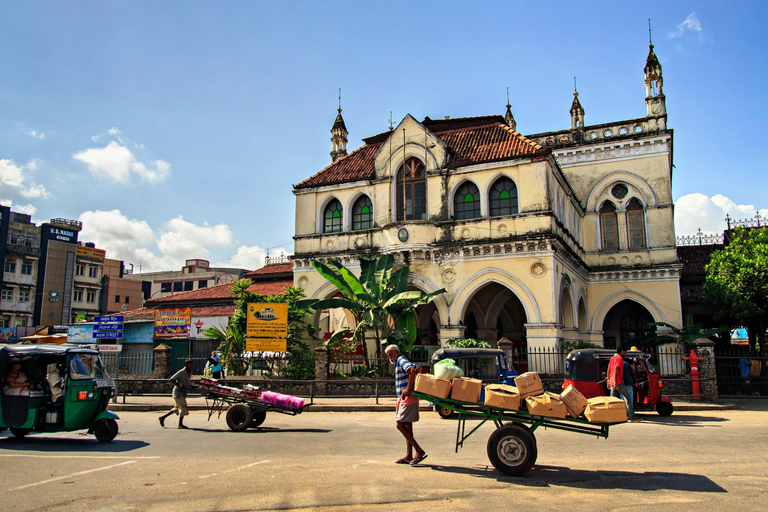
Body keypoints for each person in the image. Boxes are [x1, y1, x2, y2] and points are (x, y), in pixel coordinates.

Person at [385, 344, 427, 466]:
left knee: (400, 425)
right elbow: (418, 368)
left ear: (396, 352)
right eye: (388, 356)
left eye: (391, 355)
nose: (390, 358)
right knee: (407, 427)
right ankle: (409, 456)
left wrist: (408, 388)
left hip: (407, 398)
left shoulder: (401, 359)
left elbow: (412, 370)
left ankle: (419, 451)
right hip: (404, 398)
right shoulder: (401, 361)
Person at [159, 360, 194, 429]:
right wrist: (179, 385)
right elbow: (171, 379)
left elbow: (187, 382)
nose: (192, 366)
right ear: (186, 365)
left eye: (192, 365)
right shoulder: (181, 372)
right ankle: (180, 424)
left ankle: (162, 418)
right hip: (178, 393)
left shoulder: (189, 372)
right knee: (183, 407)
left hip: (184, 392)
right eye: (190, 365)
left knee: (177, 408)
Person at [608, 345, 640, 422]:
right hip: (618, 382)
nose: (626, 354)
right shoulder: (619, 359)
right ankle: (632, 417)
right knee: (627, 399)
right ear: (622, 351)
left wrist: (609, 381)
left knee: (612, 400)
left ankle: (611, 417)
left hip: (612, 382)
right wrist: (616, 383)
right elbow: (616, 370)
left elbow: (609, 369)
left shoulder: (612, 358)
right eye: (625, 352)